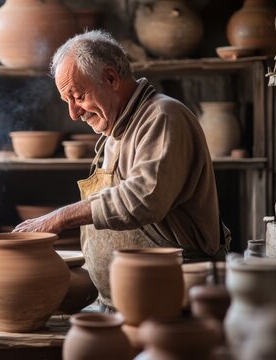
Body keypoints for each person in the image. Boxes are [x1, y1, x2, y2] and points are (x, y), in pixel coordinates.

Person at [14, 30, 230, 312]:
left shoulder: (163, 118)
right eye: (66, 101)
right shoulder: (116, 130)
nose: (73, 113)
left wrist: (62, 217)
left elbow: (143, 199)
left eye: (77, 96)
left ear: (111, 78)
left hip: (174, 300)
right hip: (126, 301)